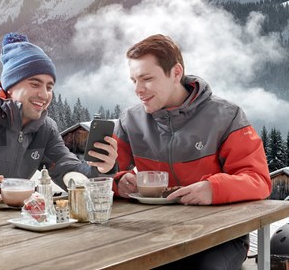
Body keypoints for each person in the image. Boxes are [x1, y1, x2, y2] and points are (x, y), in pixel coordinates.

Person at [113, 34, 272, 270]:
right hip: (154, 232)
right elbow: (104, 175)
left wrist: (213, 189)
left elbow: (259, 180)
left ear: (176, 73)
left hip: (220, 236)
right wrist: (119, 182)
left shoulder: (227, 117)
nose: (138, 89)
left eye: (147, 79)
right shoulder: (130, 120)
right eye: (133, 80)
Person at [0, 33, 117, 209]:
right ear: (11, 86)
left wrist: (100, 169)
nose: (44, 94)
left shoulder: (45, 129)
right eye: (35, 84)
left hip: (17, 229)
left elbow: (68, 169)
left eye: (49, 87)